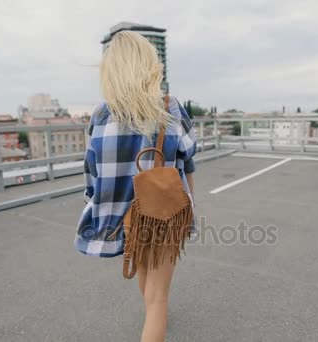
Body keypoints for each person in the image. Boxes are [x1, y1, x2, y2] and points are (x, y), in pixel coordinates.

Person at [74, 31, 197, 342]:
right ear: (150, 65)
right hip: (165, 213)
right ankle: (154, 326)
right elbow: (189, 160)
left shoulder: (101, 114)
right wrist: (192, 207)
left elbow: (92, 172)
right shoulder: (169, 106)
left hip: (126, 217)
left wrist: (96, 205)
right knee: (158, 300)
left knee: (145, 277)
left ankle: (153, 324)